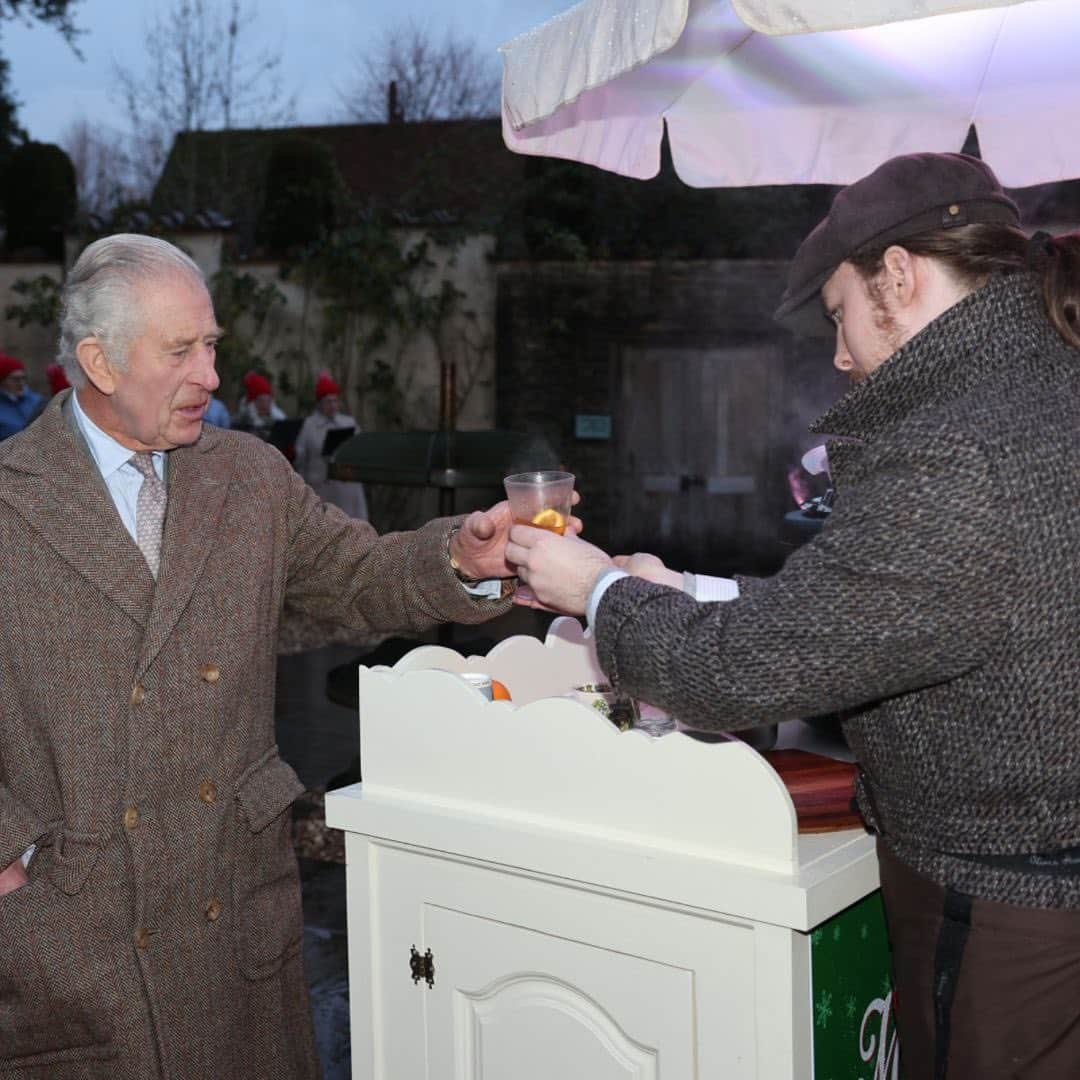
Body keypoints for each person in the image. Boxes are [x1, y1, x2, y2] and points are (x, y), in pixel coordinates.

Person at [506, 153, 1080, 1079]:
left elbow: (732, 676)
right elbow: (885, 609)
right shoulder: (1033, 381)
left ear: (899, 274)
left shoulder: (959, 445)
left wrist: (596, 591)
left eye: (839, 314)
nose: (842, 355)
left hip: (1008, 906)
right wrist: (680, 592)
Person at [0, 233, 545, 1080]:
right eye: (180, 351)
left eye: (210, 344)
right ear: (99, 365)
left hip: (231, 909)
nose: (211, 376)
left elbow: (358, 576)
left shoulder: (249, 478)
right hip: (75, 931)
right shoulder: (8, 500)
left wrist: (462, 562)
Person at [292, 370, 368, 519]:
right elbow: (300, 457)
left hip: (348, 488)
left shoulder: (348, 423)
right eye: (328, 401)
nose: (333, 405)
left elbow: (361, 449)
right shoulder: (310, 425)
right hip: (321, 487)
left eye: (335, 401)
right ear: (320, 403)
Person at [0, 352, 44, 440]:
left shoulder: (37, 402)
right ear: (2, 381)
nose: (21, 383)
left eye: (23, 378)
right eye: (15, 379)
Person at [234, 369, 286, 433]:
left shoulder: (274, 410)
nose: (265, 404)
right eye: (262, 401)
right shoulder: (247, 405)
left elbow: (282, 421)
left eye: (268, 401)